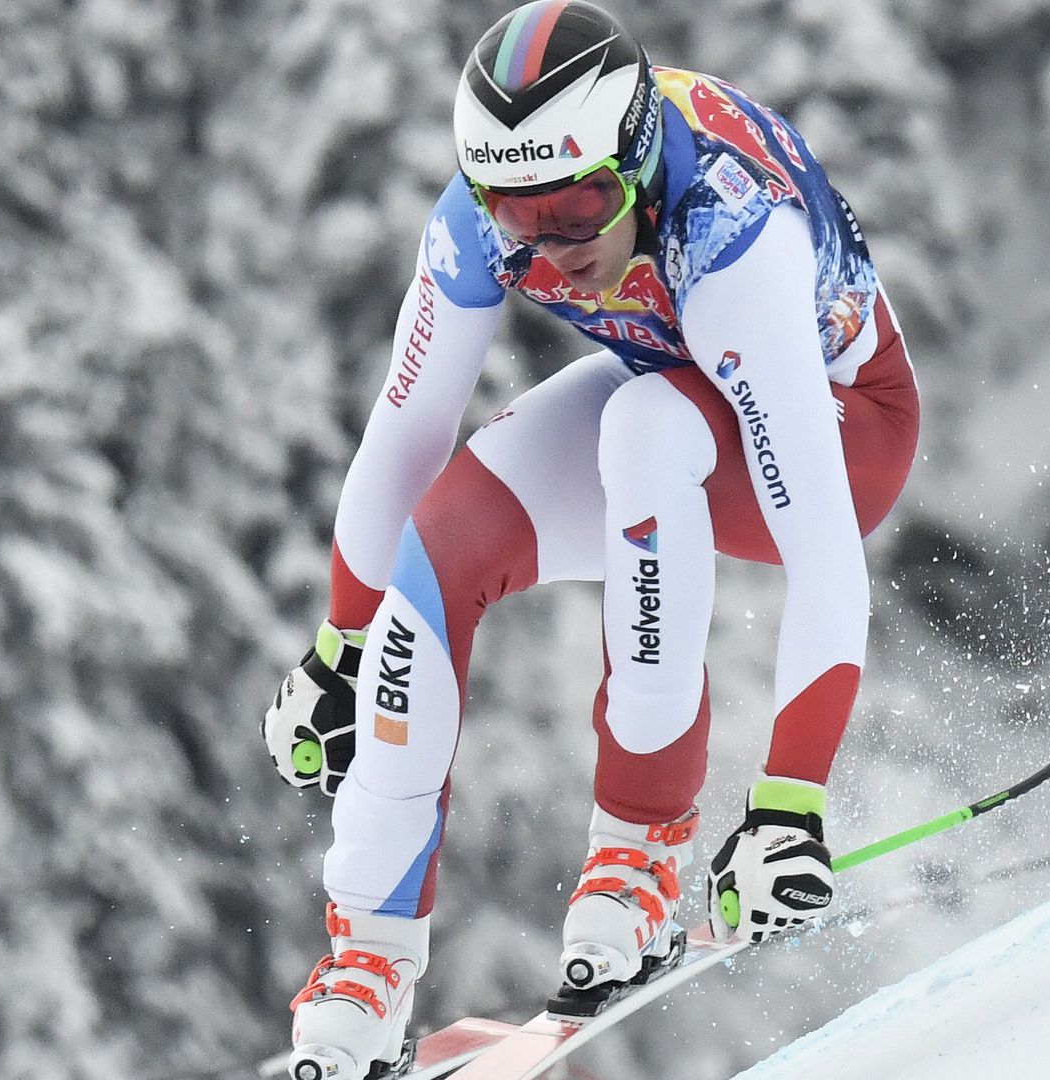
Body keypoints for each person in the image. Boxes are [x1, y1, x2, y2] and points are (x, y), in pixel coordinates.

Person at [260, 2, 920, 1075]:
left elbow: (829, 558)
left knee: (649, 426)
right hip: (669, 391)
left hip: (845, 433)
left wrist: (787, 807)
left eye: (576, 208)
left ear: (640, 159)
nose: (553, 250)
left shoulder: (729, 239)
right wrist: (342, 642)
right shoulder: (491, 220)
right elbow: (408, 428)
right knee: (438, 549)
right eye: (518, 220)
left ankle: (642, 850)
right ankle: (366, 963)